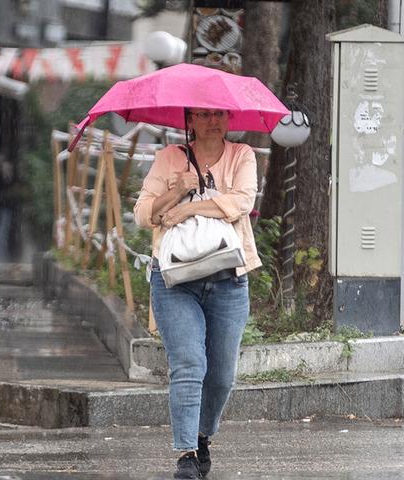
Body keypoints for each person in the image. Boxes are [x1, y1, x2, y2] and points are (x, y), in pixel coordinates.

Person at [133, 108, 261, 479]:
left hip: (228, 277)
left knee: (221, 375)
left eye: (218, 114)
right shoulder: (169, 158)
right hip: (174, 278)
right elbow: (143, 214)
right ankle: (187, 453)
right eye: (203, 115)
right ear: (189, 120)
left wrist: (188, 208)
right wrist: (175, 190)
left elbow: (242, 203)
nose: (212, 121)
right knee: (189, 364)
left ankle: (203, 435)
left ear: (229, 118)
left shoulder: (242, 156)